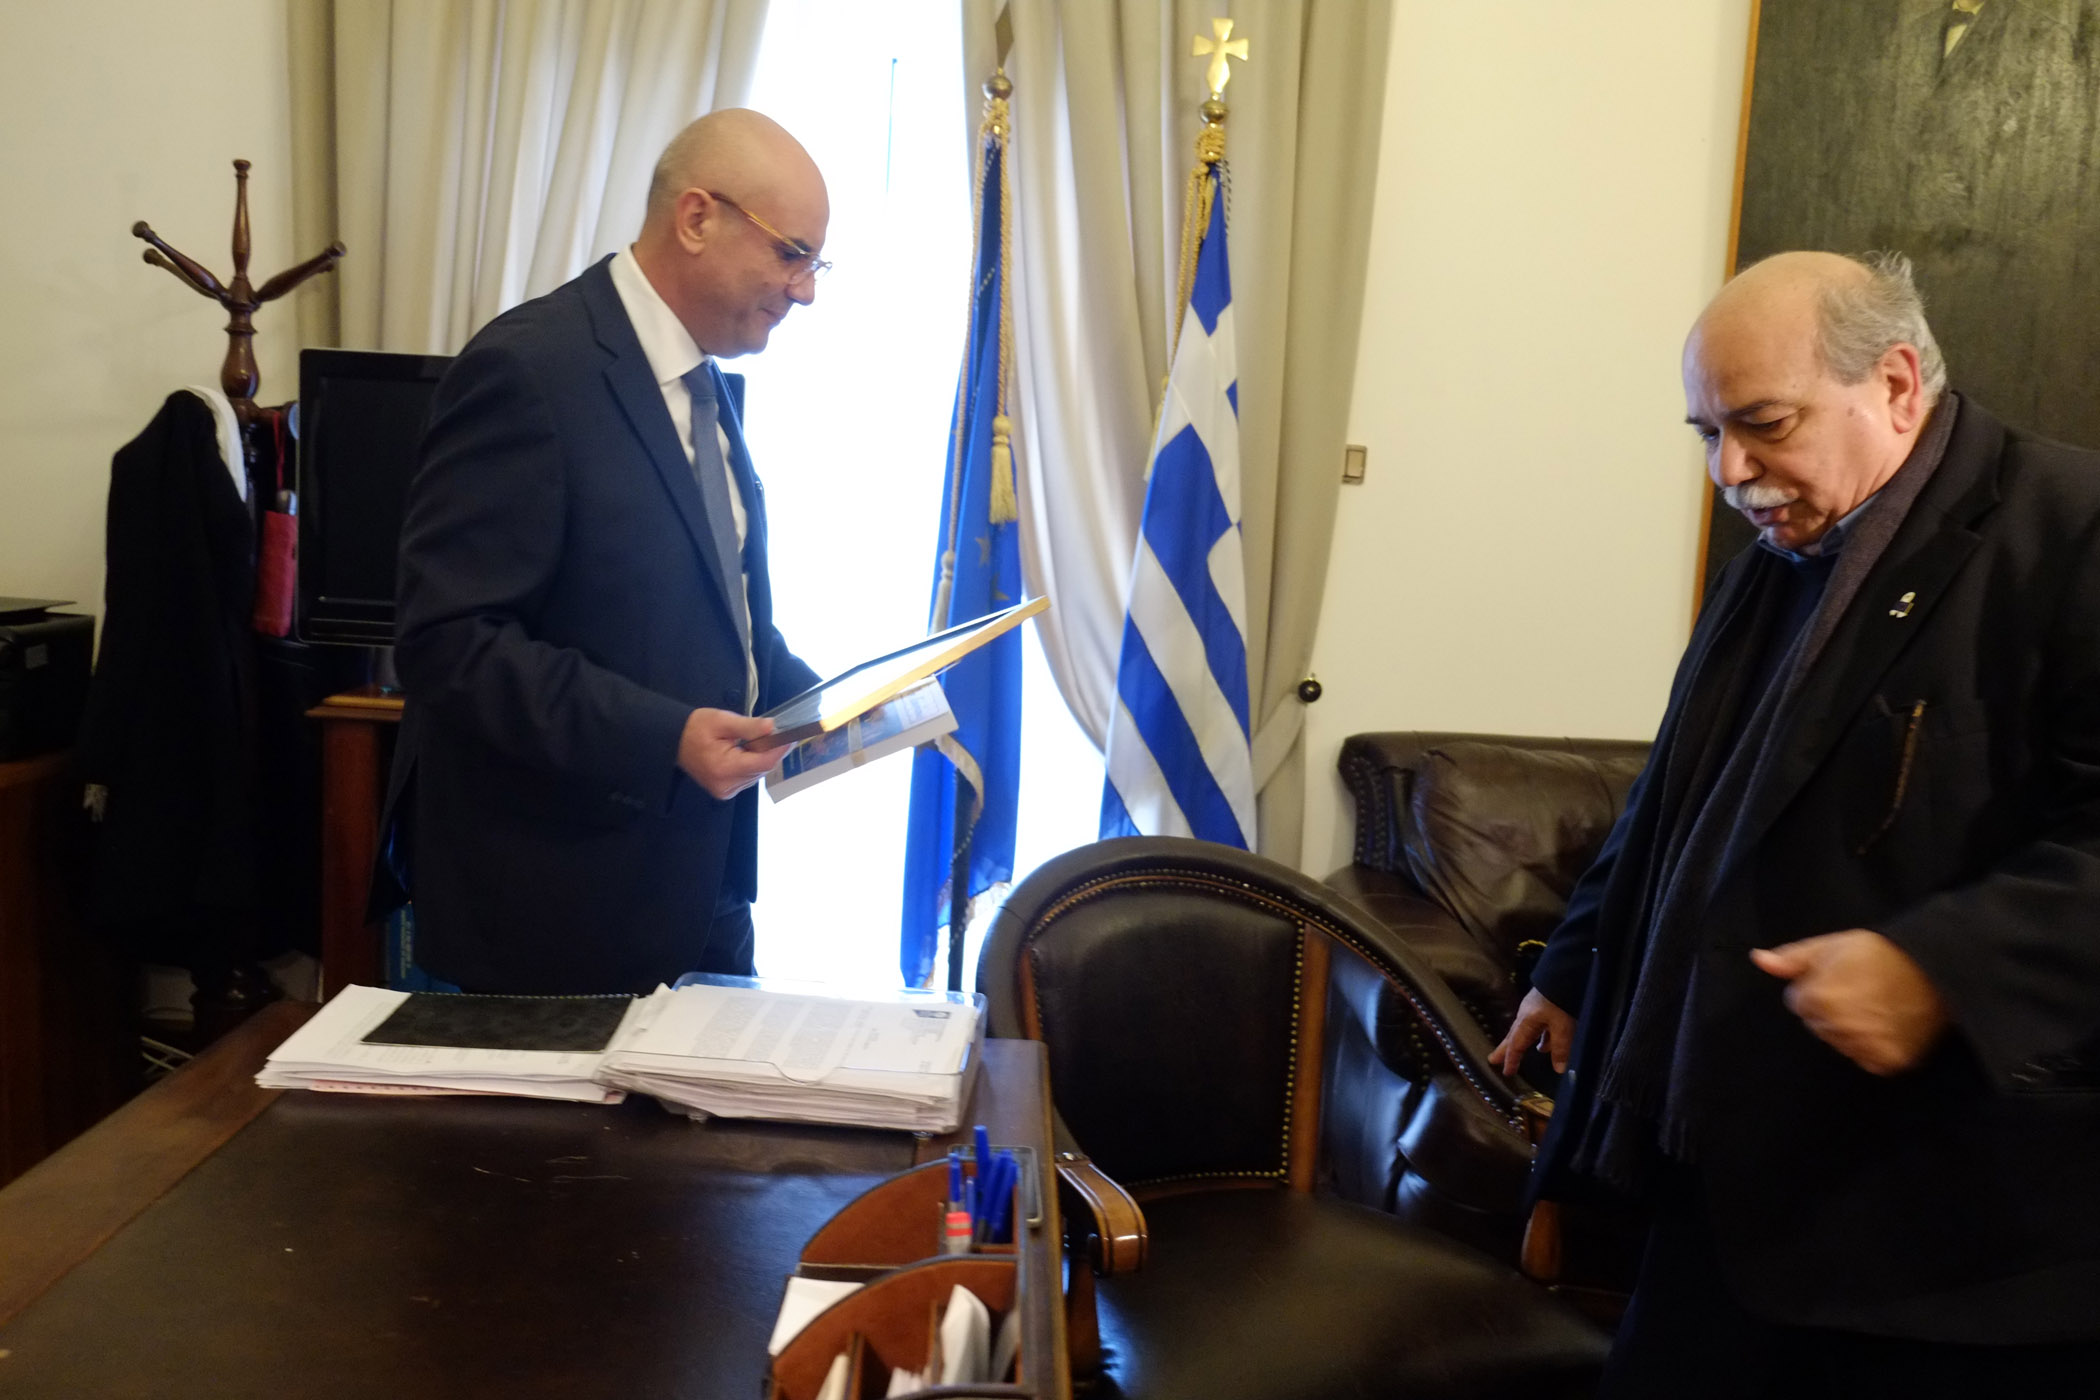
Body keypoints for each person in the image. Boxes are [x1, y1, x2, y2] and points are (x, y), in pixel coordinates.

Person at [1491, 250, 2100, 1395]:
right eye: (1708, 433)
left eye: (1764, 423)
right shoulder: (1777, 555)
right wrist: (1574, 963)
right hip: (1728, 1172)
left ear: (1898, 384)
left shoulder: (2074, 529)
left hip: (1951, 1239)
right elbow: (1680, 793)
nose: (1731, 470)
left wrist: (1943, 967)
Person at [377, 110, 827, 994]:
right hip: (554, 914)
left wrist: (820, 705)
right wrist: (666, 738)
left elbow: (712, 606)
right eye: (791, 254)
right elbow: (448, 642)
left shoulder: (704, 385)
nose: (805, 290)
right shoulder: (528, 370)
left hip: (700, 894)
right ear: (696, 219)